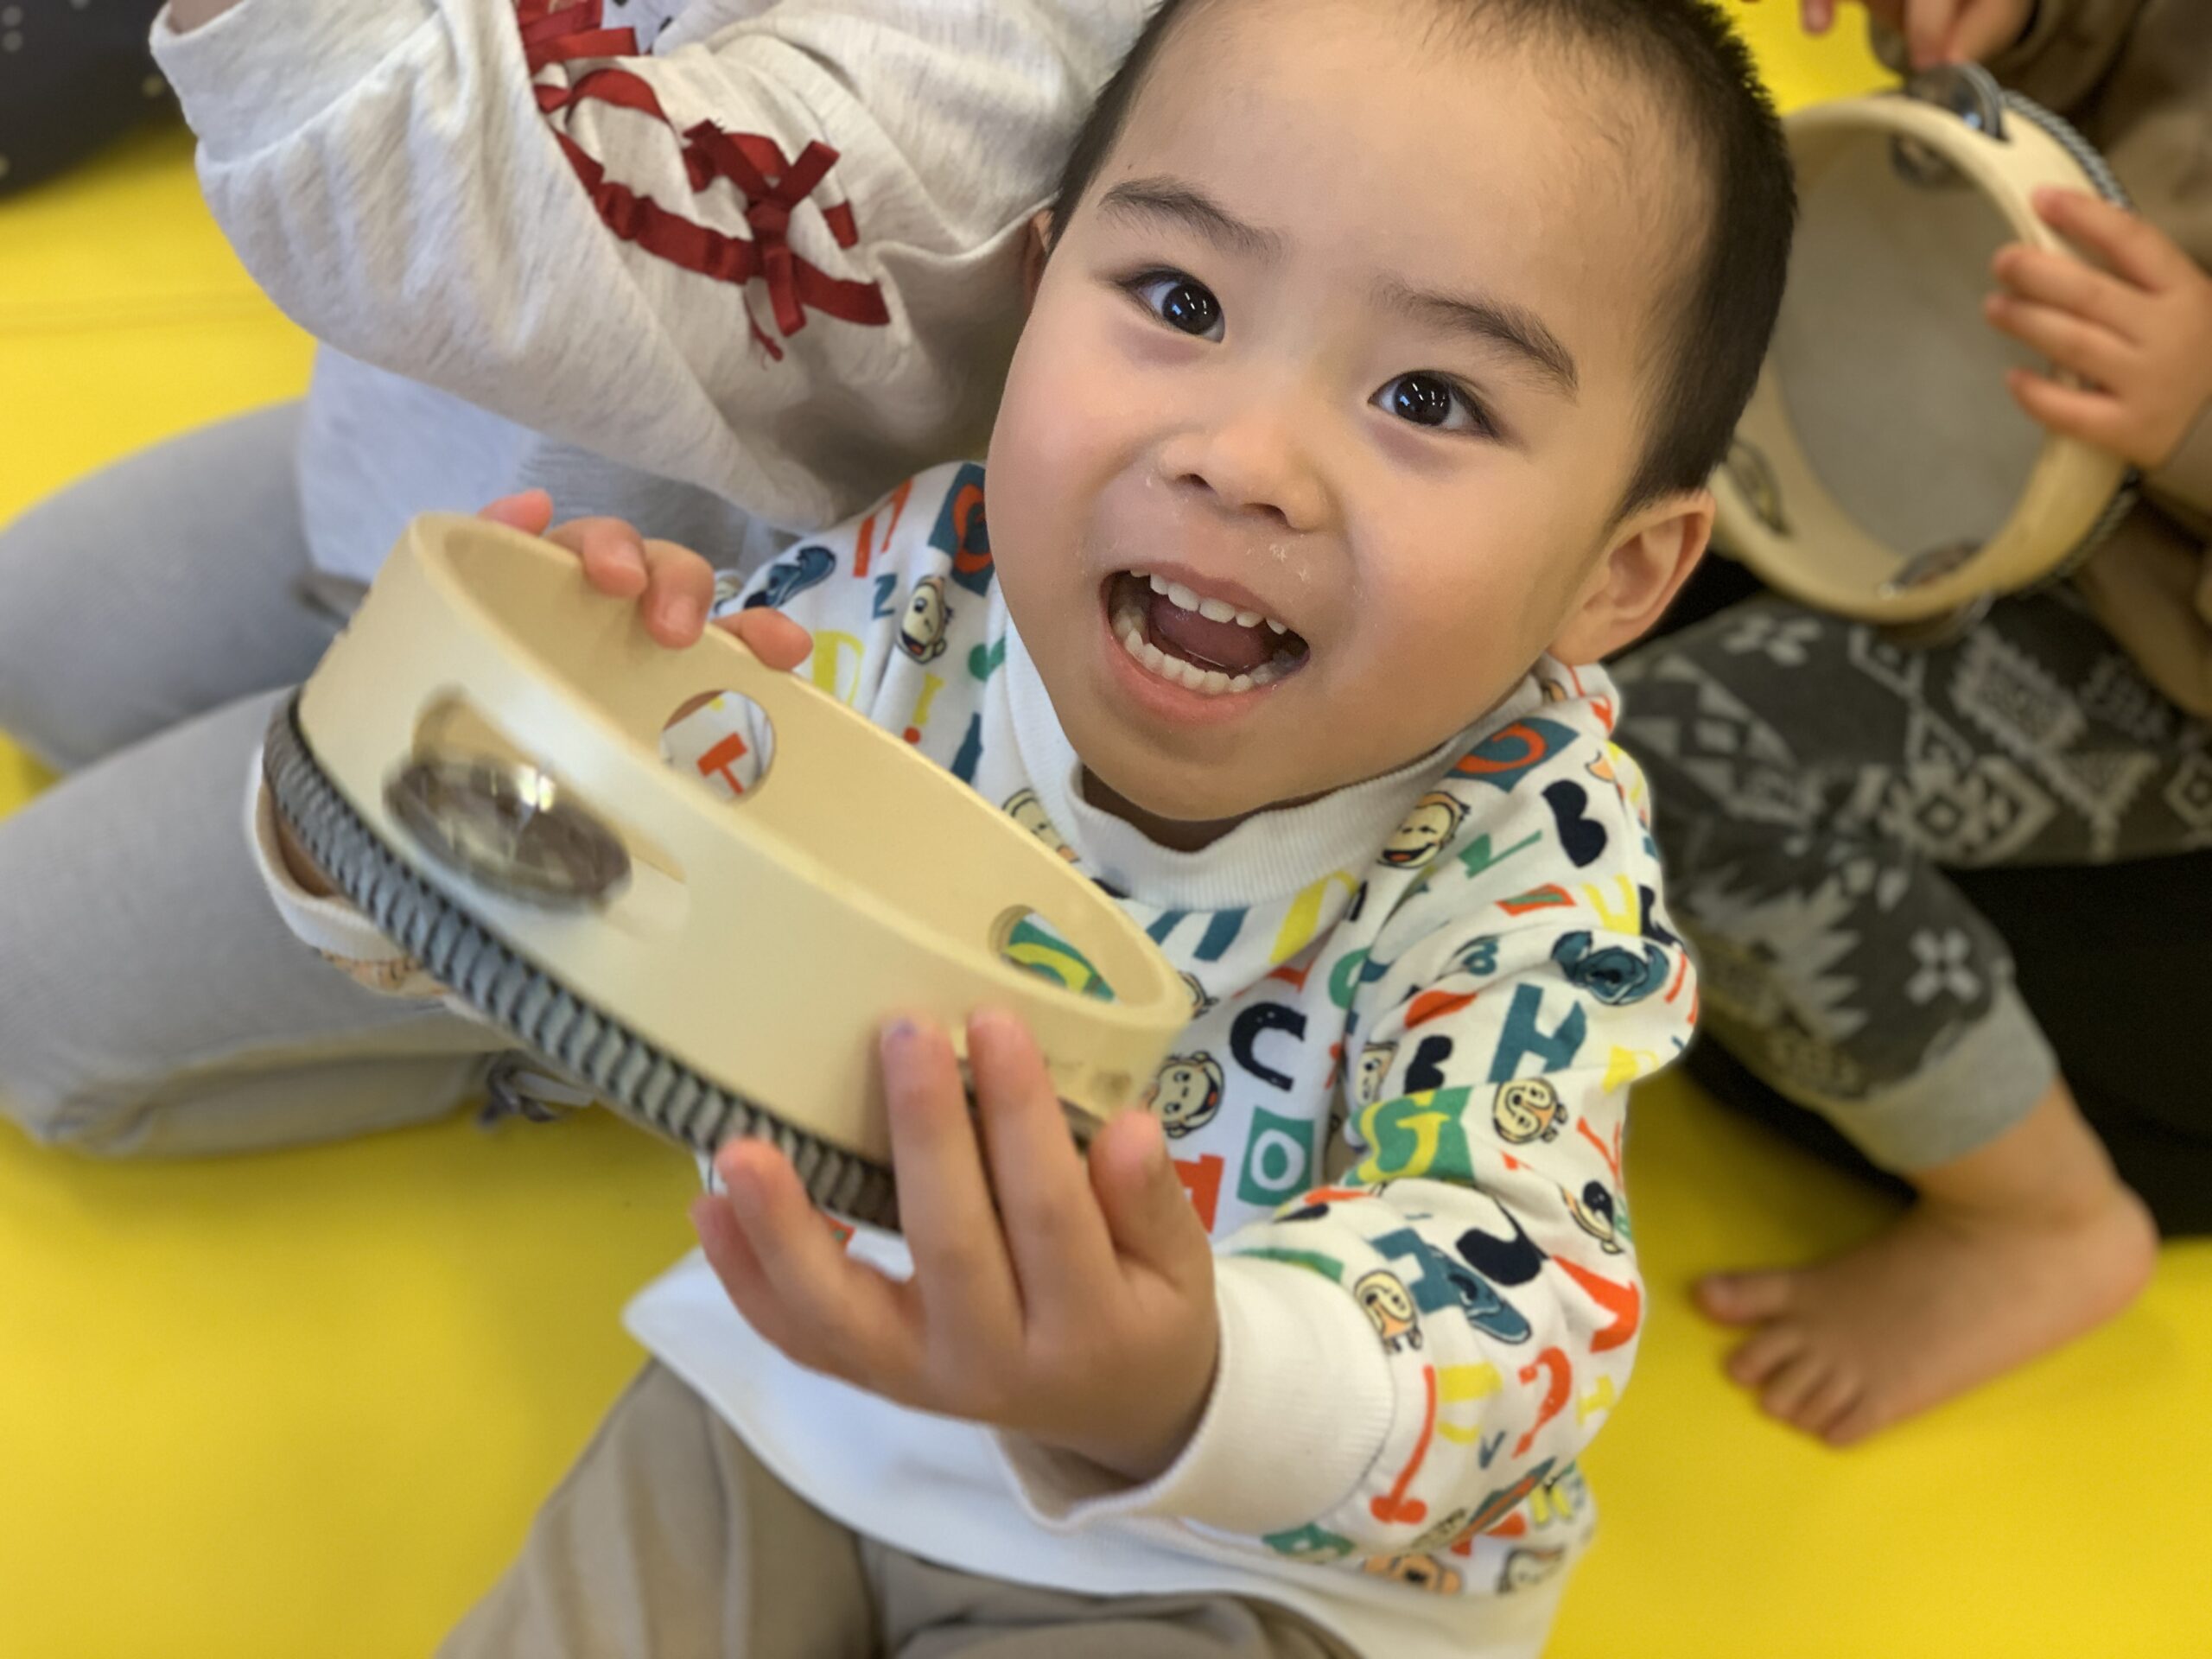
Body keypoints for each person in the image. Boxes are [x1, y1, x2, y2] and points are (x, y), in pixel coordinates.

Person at [242, 0, 1797, 1650]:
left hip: (1245, 1553)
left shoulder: (1527, 859)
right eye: (1181, 302)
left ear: (1620, 571)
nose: (1243, 460)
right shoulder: (916, 593)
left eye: (1428, 397)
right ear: (1039, 289)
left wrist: (1185, 1380)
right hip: (799, 1383)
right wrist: (458, 765)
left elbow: (1523, 1289)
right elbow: (586, 925)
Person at [0, 0, 1145, 1155]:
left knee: (22, 1000)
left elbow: (465, 198)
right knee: (33, 650)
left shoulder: (1004, 60)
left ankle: (599, 1041)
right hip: (444, 442)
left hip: (676, 703)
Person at [1615, 0, 2209, 1446]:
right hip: (2015, 450)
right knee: (1614, 477)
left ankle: (2035, 1213)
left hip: (2168, 669)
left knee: (1687, 765)